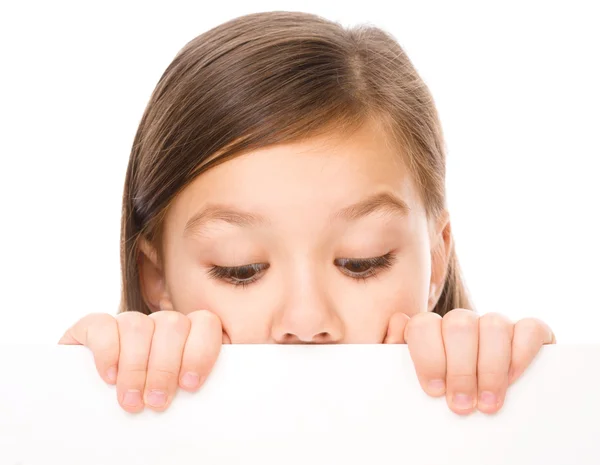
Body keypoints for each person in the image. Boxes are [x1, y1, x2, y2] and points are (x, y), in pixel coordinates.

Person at [58, 10, 555, 417]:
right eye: (241, 270)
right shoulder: (90, 415)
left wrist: (538, 407)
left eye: (364, 261)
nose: (306, 321)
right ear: (156, 277)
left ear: (436, 260)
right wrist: (63, 408)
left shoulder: (509, 414)